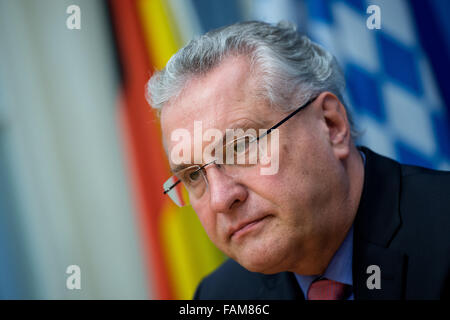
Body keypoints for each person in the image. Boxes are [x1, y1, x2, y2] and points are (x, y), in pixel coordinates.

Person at [146, 21, 450, 300]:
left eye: (239, 147)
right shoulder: (219, 295)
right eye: (193, 176)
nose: (220, 199)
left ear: (331, 126)